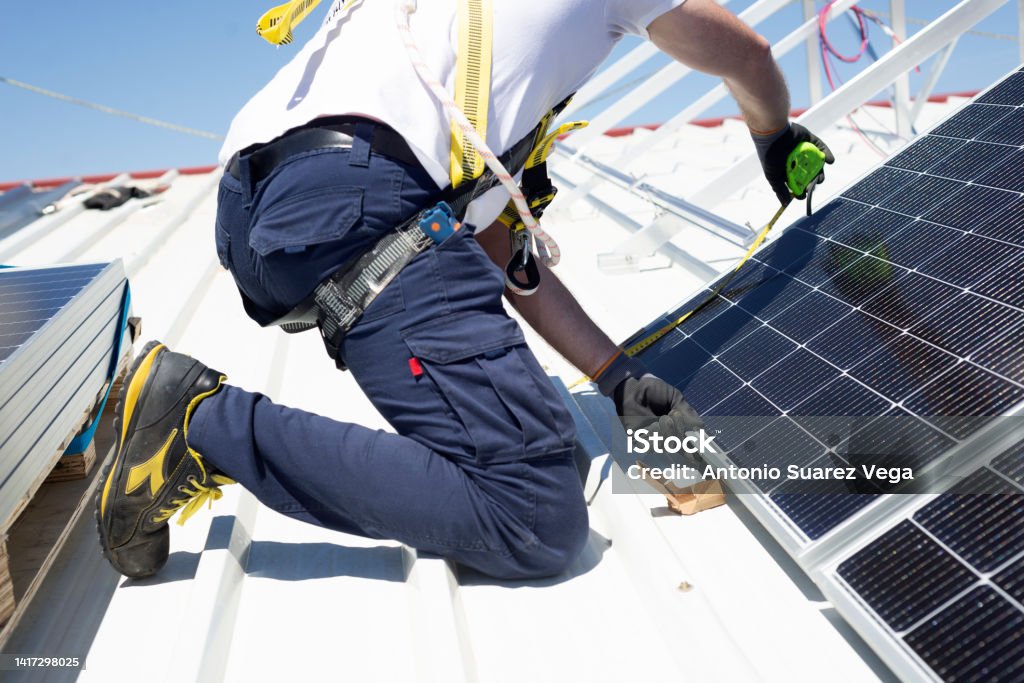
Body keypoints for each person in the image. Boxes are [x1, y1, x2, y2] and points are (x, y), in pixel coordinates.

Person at [96, 0, 832, 580]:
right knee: (536, 513)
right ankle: (198, 423)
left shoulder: (445, 44)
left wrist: (617, 378)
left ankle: (198, 418)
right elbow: (748, 54)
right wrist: (773, 136)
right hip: (359, 199)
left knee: (558, 445)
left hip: (261, 218)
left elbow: (496, 247)